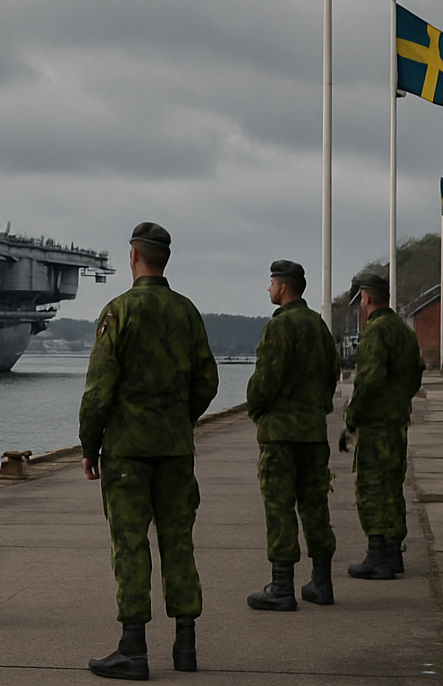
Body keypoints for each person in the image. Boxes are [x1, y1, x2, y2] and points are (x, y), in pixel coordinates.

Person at [80, 222, 218, 679]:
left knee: (131, 544)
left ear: (133, 257)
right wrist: (180, 419)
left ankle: (133, 649)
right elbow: (208, 380)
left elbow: (99, 389)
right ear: (164, 259)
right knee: (178, 541)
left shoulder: (118, 312)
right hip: (175, 450)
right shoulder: (187, 312)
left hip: (127, 453)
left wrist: (89, 445)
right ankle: (186, 648)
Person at [244, 259, 340, 612]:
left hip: (281, 434)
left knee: (280, 506)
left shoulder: (280, 327)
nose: (268, 289)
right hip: (313, 433)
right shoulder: (318, 326)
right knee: (315, 504)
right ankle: (322, 582)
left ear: (283, 287)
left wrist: (255, 408)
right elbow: (333, 374)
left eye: (271, 283)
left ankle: (281, 586)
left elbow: (265, 380)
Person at [341, 274, 423, 581]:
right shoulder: (403, 331)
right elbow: (415, 375)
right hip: (397, 420)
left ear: (366, 298)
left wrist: (352, 418)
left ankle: (378, 555)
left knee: (372, 487)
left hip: (376, 424)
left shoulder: (376, 331)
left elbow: (369, 379)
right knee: (392, 485)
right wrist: (398, 399)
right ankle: (392, 551)